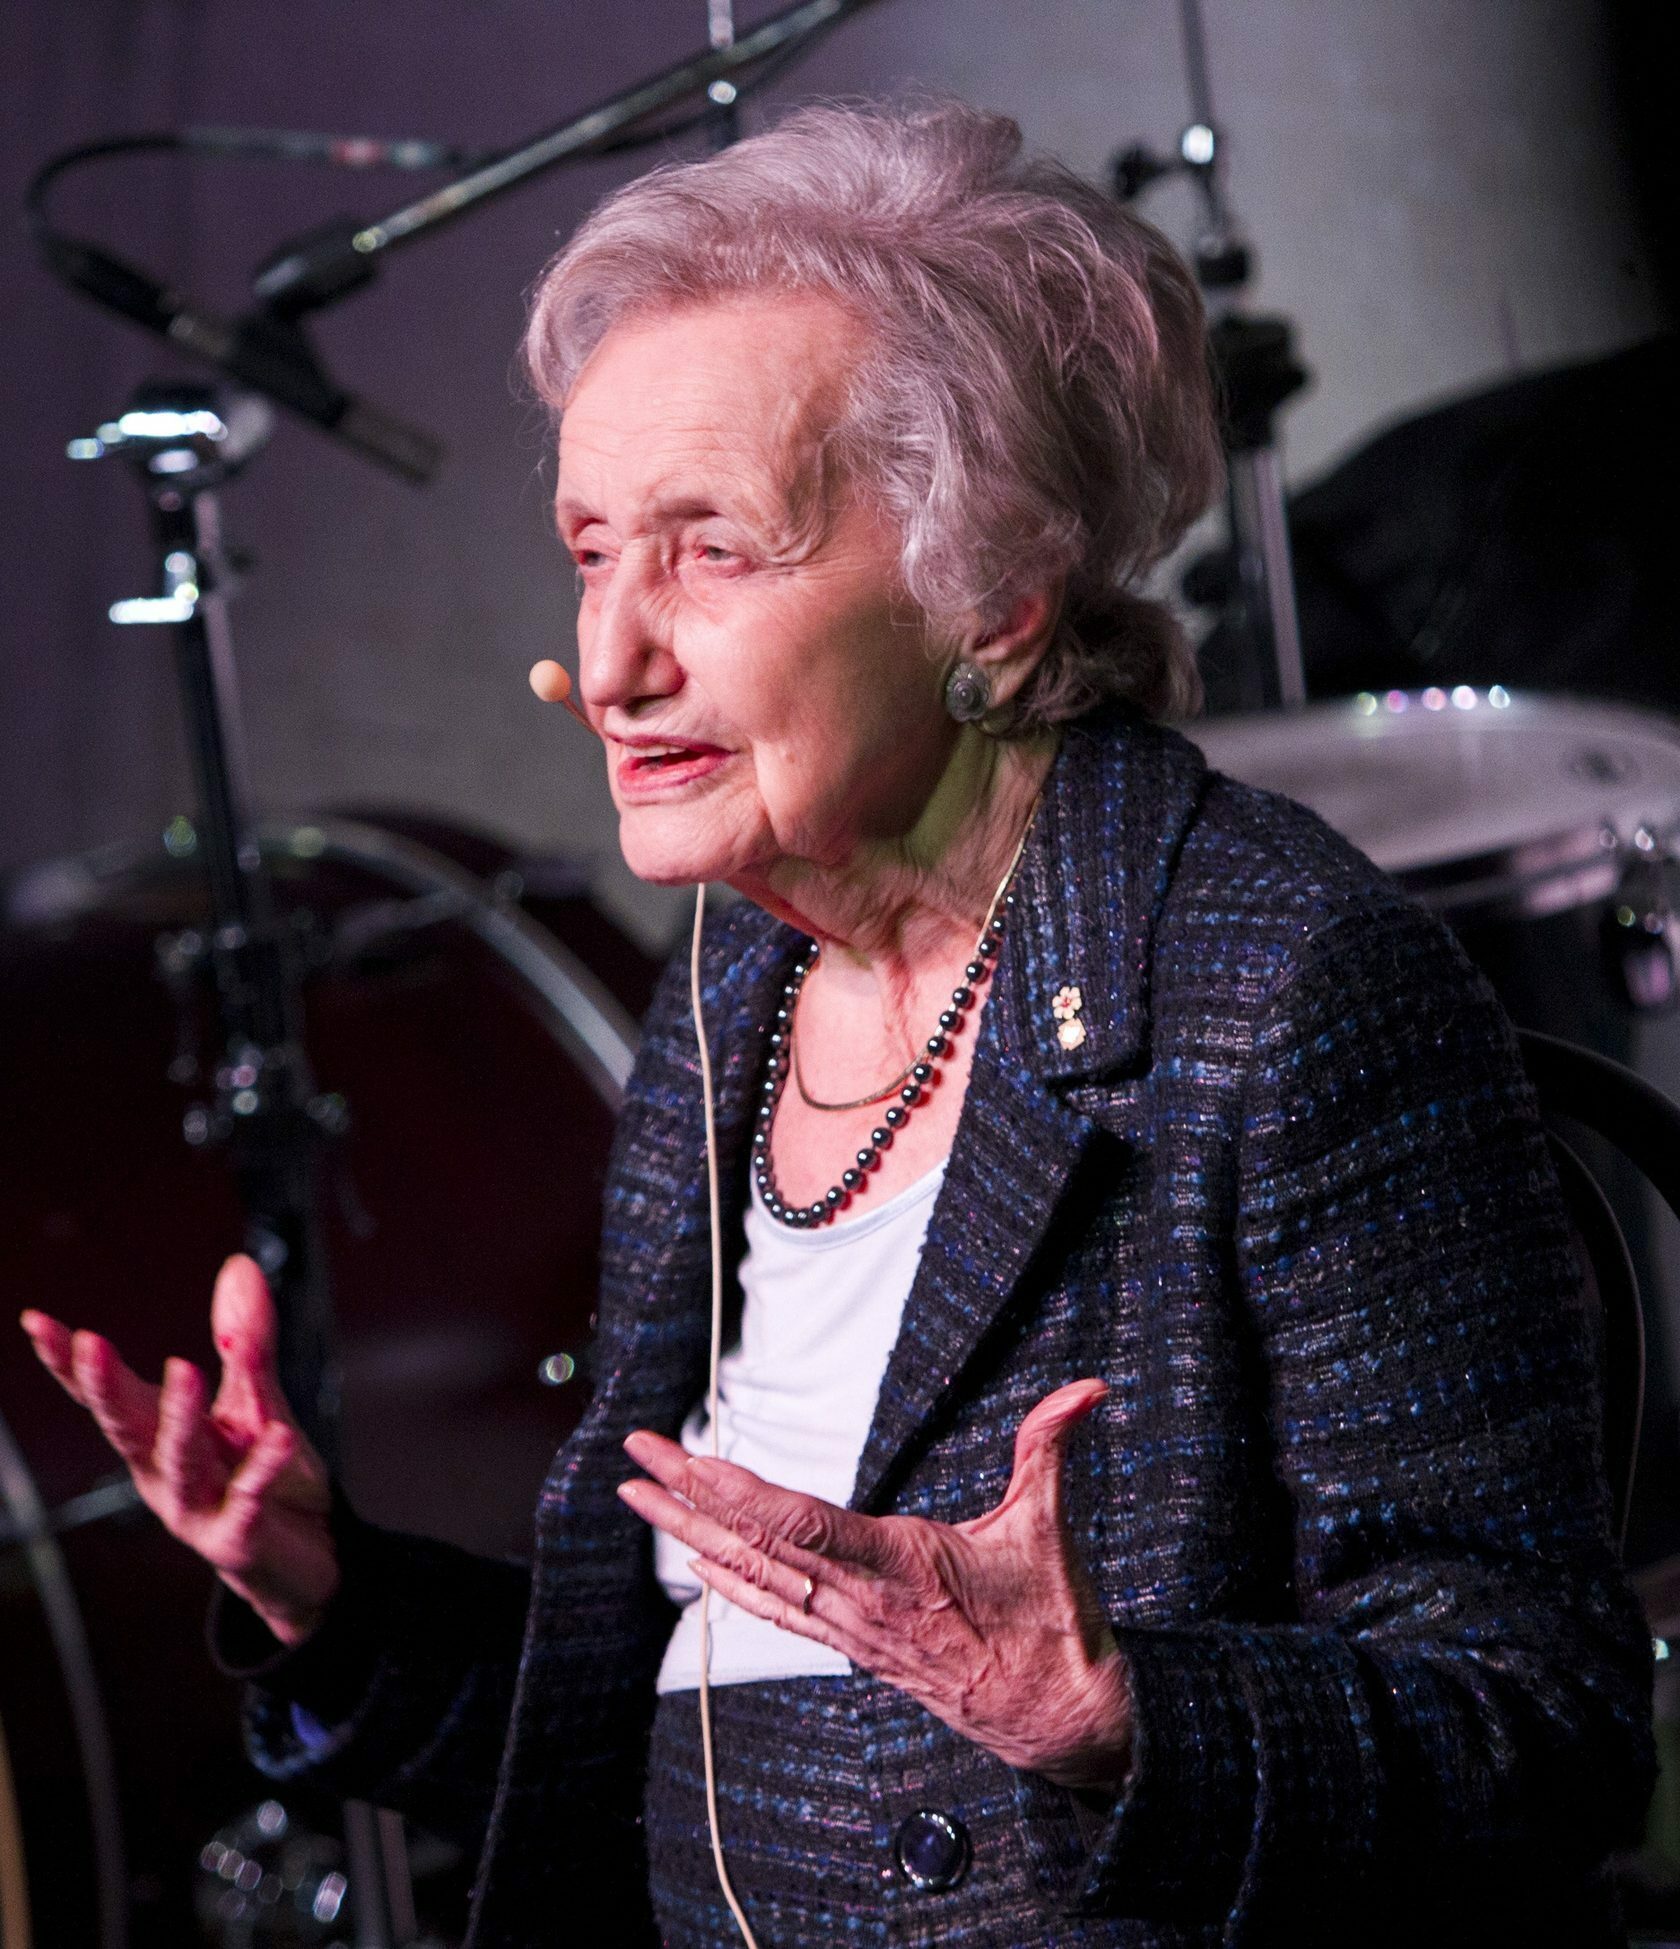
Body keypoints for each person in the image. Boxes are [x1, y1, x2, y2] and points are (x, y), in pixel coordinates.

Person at [19, 101, 1655, 1947]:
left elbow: (1545, 1727)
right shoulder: (736, 993)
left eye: (713, 551)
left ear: (1000, 594)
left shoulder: (1276, 984)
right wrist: (339, 1598)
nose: (611, 660)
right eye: (591, 550)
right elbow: (685, 1773)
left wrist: (1116, 1717)